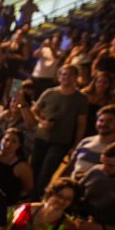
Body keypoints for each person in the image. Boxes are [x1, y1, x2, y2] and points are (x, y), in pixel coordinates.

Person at [28, 65, 89, 195]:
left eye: (70, 74)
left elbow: (81, 123)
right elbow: (34, 110)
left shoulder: (81, 98)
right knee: (33, 169)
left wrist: (76, 145)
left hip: (61, 141)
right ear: (59, 76)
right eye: (64, 74)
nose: (66, 77)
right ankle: (28, 196)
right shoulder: (49, 92)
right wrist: (42, 121)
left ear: (76, 77)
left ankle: (37, 198)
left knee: (46, 172)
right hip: (41, 137)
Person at [63, 104, 115, 180]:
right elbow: (70, 167)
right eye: (101, 120)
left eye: (109, 121)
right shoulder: (86, 142)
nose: (103, 124)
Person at [0, 128, 33, 205]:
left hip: (5, 203)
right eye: (6, 140)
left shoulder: (22, 166)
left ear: (19, 145)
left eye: (14, 141)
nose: (8, 144)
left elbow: (28, 188)